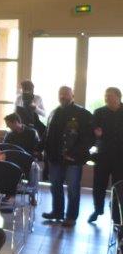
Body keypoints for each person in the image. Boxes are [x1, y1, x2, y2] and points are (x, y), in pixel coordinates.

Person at [42, 86, 93, 227]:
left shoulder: (83, 114)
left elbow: (89, 138)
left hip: (73, 160)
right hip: (55, 158)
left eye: (66, 94)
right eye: (60, 94)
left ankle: (71, 217)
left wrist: (74, 153)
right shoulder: (54, 113)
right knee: (55, 187)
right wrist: (39, 148)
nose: (62, 96)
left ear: (72, 96)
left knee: (73, 189)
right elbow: (47, 134)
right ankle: (57, 212)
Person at [89, 87, 123, 223]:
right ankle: (98, 209)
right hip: (103, 155)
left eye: (109, 95)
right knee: (98, 185)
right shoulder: (99, 112)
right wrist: (96, 133)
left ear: (118, 97)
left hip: (121, 157)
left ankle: (116, 216)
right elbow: (93, 130)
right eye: (105, 95)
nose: (106, 98)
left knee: (119, 187)